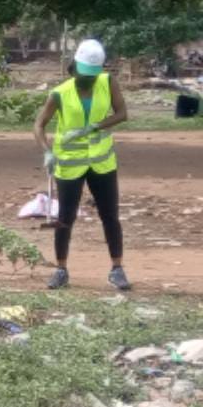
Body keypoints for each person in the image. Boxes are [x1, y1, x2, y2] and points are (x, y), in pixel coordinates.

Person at [34, 38, 130, 290]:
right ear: (74, 66)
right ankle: (61, 270)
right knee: (65, 217)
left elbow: (122, 113)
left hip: (102, 163)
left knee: (110, 216)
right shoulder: (59, 93)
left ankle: (117, 269)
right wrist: (46, 152)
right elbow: (39, 125)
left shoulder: (108, 83)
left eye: (92, 75)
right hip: (69, 164)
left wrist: (96, 126)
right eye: (84, 75)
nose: (88, 79)